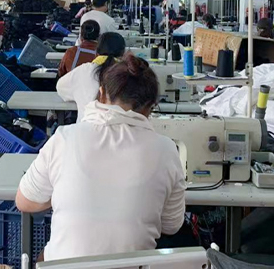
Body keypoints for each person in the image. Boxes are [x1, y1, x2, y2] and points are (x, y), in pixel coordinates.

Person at [17, 52, 186, 262]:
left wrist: (69, 193)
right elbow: (171, 225)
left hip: (66, 267)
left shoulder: (65, 138)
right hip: (131, 267)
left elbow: (25, 202)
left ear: (101, 93)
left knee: (46, 257)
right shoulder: (167, 150)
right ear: (151, 107)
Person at [57, 32, 125, 123]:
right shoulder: (128, 74)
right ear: (123, 53)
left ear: (96, 52)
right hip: (120, 130)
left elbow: (60, 88)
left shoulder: (83, 70)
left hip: (85, 128)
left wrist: (80, 95)